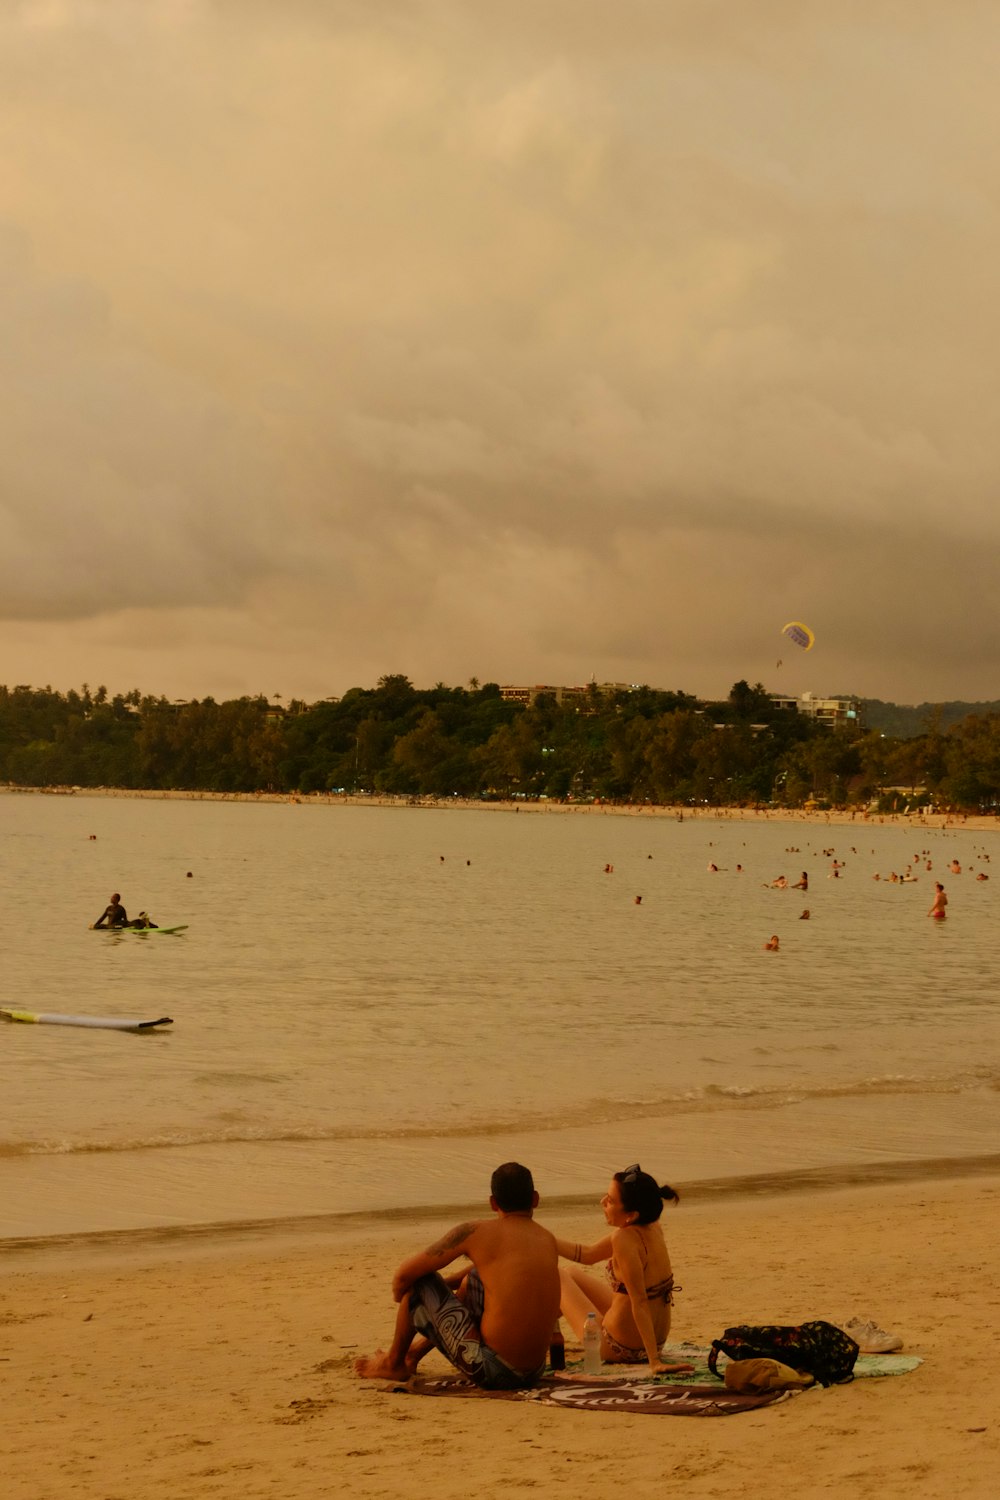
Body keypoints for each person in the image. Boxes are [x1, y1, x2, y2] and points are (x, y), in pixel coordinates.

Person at [354, 1162, 559, 1390]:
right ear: (535, 1199)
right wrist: (449, 1290)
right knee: (473, 1279)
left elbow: (403, 1277)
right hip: (534, 1372)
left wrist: (410, 1300)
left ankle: (393, 1363)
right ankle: (413, 1355)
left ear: (493, 1203)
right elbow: (490, 1273)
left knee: (420, 1282)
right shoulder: (546, 1239)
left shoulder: (476, 1231)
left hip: (494, 1371)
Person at [553, 1165, 695, 1377]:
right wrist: (544, 1239)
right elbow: (587, 1254)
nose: (602, 1202)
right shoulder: (652, 1226)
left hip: (619, 1347)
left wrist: (654, 1362)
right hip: (653, 1342)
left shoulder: (623, 1239)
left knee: (559, 1276)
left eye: (610, 1200)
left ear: (630, 1215)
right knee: (571, 1271)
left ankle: (546, 1337)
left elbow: (639, 1302)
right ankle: (548, 1334)